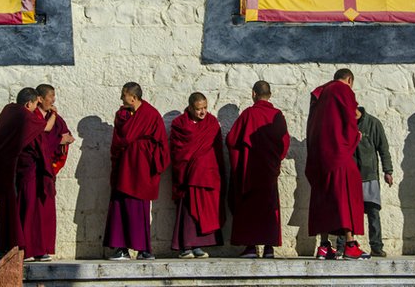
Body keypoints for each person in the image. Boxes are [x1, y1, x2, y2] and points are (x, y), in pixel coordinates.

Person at [0, 87, 54, 255]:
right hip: (5, 170)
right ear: (29, 103)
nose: (35, 108)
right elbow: (46, 127)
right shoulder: (25, 116)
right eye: (35, 105)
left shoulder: (8, 111)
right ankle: (8, 245)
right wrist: (53, 113)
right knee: (7, 208)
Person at [306, 68, 369, 260]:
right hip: (338, 154)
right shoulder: (343, 90)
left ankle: (324, 246)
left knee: (324, 196)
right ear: (349, 80)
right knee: (347, 192)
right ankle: (350, 244)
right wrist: (355, 137)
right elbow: (349, 120)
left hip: (319, 156)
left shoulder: (319, 93)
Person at [104, 82, 169, 260]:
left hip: (141, 169)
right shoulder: (122, 115)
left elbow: (161, 144)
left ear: (133, 97)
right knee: (119, 207)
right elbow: (118, 141)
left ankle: (143, 250)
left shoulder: (151, 115)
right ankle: (121, 249)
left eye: (123, 95)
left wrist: (140, 149)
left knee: (139, 210)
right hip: (123, 168)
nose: (120, 98)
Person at [226, 80, 290, 259]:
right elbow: (285, 142)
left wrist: (240, 160)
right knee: (270, 209)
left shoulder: (248, 114)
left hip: (250, 171)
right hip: (269, 171)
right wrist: (275, 161)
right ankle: (269, 248)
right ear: (269, 95)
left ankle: (251, 248)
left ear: (253, 94)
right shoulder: (277, 115)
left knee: (250, 209)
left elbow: (231, 140)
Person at [18, 84, 75, 261]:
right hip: (30, 170)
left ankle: (42, 249)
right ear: (39, 99)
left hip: (46, 171)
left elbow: (66, 135)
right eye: (50, 97)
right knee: (28, 208)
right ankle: (25, 248)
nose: (53, 100)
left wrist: (64, 140)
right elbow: (35, 142)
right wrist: (59, 140)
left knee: (45, 211)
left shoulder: (55, 119)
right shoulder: (29, 117)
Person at [169, 92, 226, 259]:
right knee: (188, 211)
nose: (203, 112)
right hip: (188, 176)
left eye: (205, 108)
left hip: (207, 175)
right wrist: (188, 166)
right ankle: (186, 246)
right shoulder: (179, 124)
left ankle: (200, 245)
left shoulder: (211, 123)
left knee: (205, 211)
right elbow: (177, 151)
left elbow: (217, 150)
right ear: (190, 107)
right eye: (198, 109)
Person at [336, 106, 394, 257]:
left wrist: (388, 171)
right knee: (346, 212)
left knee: (373, 211)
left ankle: (376, 246)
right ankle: (342, 246)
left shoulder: (373, 123)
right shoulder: (343, 124)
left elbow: (383, 148)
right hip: (349, 176)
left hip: (369, 175)